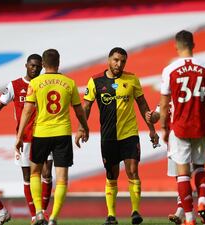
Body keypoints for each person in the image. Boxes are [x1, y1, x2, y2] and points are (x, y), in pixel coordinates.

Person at [82, 47, 159, 225]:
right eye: (116, 60)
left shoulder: (132, 79)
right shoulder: (95, 81)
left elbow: (143, 105)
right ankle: (111, 216)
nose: (119, 64)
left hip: (129, 134)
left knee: (133, 171)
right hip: (108, 137)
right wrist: (82, 128)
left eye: (123, 61)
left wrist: (152, 129)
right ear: (109, 60)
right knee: (111, 175)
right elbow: (86, 106)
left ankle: (135, 212)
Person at [15, 49, 89, 225]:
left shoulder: (36, 83)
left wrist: (19, 136)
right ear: (59, 62)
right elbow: (78, 110)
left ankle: (39, 213)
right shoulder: (69, 82)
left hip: (41, 133)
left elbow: (27, 110)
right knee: (61, 178)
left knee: (35, 172)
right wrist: (84, 127)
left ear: (42, 63)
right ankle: (54, 217)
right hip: (62, 133)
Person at [160, 30, 205, 225]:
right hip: (200, 125)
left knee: (182, 174)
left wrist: (164, 127)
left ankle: (189, 218)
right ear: (193, 45)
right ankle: (203, 201)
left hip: (180, 127)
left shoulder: (169, 70)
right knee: (199, 167)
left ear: (176, 46)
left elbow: (164, 104)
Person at [0, 54, 54, 222]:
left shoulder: (45, 83)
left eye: (38, 66)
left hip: (45, 135)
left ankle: (42, 213)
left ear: (42, 67)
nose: (35, 69)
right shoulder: (14, 85)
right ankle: (34, 216)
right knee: (27, 178)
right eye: (32, 65)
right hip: (24, 138)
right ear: (26, 65)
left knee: (47, 173)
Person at [146, 105, 205, 225]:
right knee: (192, 171)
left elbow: (162, 111)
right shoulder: (197, 89)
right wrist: (151, 116)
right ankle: (195, 205)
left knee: (182, 176)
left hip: (177, 138)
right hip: (195, 133)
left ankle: (188, 215)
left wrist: (164, 129)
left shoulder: (170, 92)